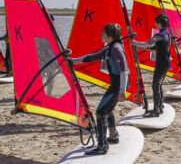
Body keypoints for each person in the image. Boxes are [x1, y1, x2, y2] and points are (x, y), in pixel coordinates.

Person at [71, 23, 128, 156]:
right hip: (115, 84)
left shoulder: (116, 49)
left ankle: (102, 146)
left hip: (118, 85)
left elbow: (124, 70)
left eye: (103, 34)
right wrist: (73, 61)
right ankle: (113, 136)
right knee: (107, 109)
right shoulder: (110, 47)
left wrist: (122, 90)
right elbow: (93, 57)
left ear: (110, 36)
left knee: (101, 112)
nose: (101, 36)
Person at [133, 14, 170, 117]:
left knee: (155, 85)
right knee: (158, 84)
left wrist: (134, 43)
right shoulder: (166, 33)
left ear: (159, 24)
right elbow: (157, 48)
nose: (155, 24)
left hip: (162, 63)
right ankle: (160, 106)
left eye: (156, 23)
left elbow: (148, 43)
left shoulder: (159, 35)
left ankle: (156, 110)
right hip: (165, 62)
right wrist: (143, 48)